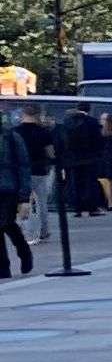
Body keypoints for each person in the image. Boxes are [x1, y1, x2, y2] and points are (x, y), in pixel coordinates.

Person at [0, 111, 32, 277]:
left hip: (9, 188)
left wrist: (24, 195)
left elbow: (23, 166)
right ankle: (3, 266)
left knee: (6, 223)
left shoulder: (12, 137)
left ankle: (23, 250)